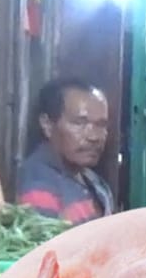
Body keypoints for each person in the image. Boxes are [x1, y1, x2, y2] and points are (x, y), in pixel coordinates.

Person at [17, 77, 116, 225]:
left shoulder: (94, 182)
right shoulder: (38, 190)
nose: (94, 136)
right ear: (47, 125)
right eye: (79, 123)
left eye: (101, 125)